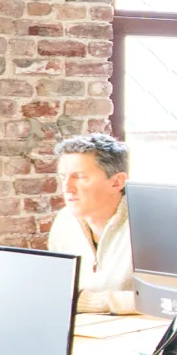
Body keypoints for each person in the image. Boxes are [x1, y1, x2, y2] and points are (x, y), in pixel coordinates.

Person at [46, 132, 139, 315]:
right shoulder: (64, 221)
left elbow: (169, 302)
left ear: (117, 182)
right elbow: (57, 291)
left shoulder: (148, 226)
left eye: (79, 177)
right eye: (63, 177)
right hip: (82, 329)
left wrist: (91, 302)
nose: (67, 188)